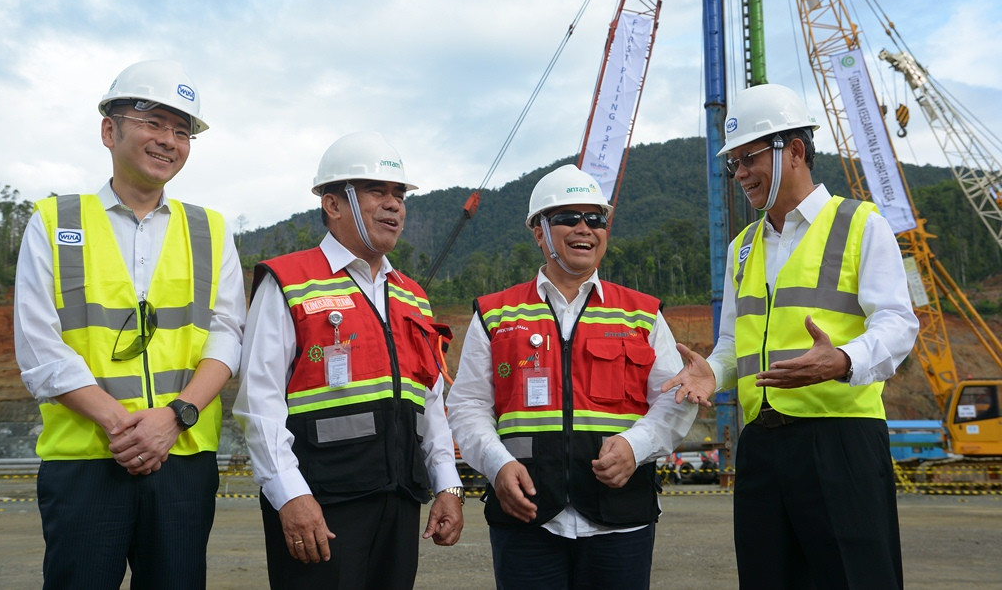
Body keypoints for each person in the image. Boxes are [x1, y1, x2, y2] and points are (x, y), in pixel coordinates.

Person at [662, 83, 919, 589]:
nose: (740, 174)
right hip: (761, 446)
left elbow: (898, 322)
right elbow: (734, 344)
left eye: (748, 158)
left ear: (795, 150)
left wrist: (843, 359)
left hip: (840, 440)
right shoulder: (742, 247)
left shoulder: (861, 225)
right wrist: (714, 371)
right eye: (733, 164)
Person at [13, 59, 247, 588]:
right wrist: (126, 427)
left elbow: (228, 335)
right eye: (153, 122)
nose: (169, 140)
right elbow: (38, 344)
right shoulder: (53, 222)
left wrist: (173, 419)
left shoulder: (210, 230)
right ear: (109, 131)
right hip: (85, 460)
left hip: (183, 460)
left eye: (182, 131)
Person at [448, 164, 697, 589]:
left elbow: (674, 400)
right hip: (526, 518)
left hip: (619, 519)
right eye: (568, 217)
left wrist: (635, 447)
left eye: (595, 219)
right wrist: (497, 463)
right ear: (539, 231)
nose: (585, 228)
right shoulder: (495, 314)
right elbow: (468, 405)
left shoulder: (642, 313)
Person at [233, 131, 464, 590]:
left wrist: (448, 485)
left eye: (399, 194)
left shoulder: (413, 297)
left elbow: (430, 405)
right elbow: (259, 403)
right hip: (322, 506)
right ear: (333, 204)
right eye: (377, 191)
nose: (393, 204)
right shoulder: (290, 281)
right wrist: (290, 496)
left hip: (400, 502)